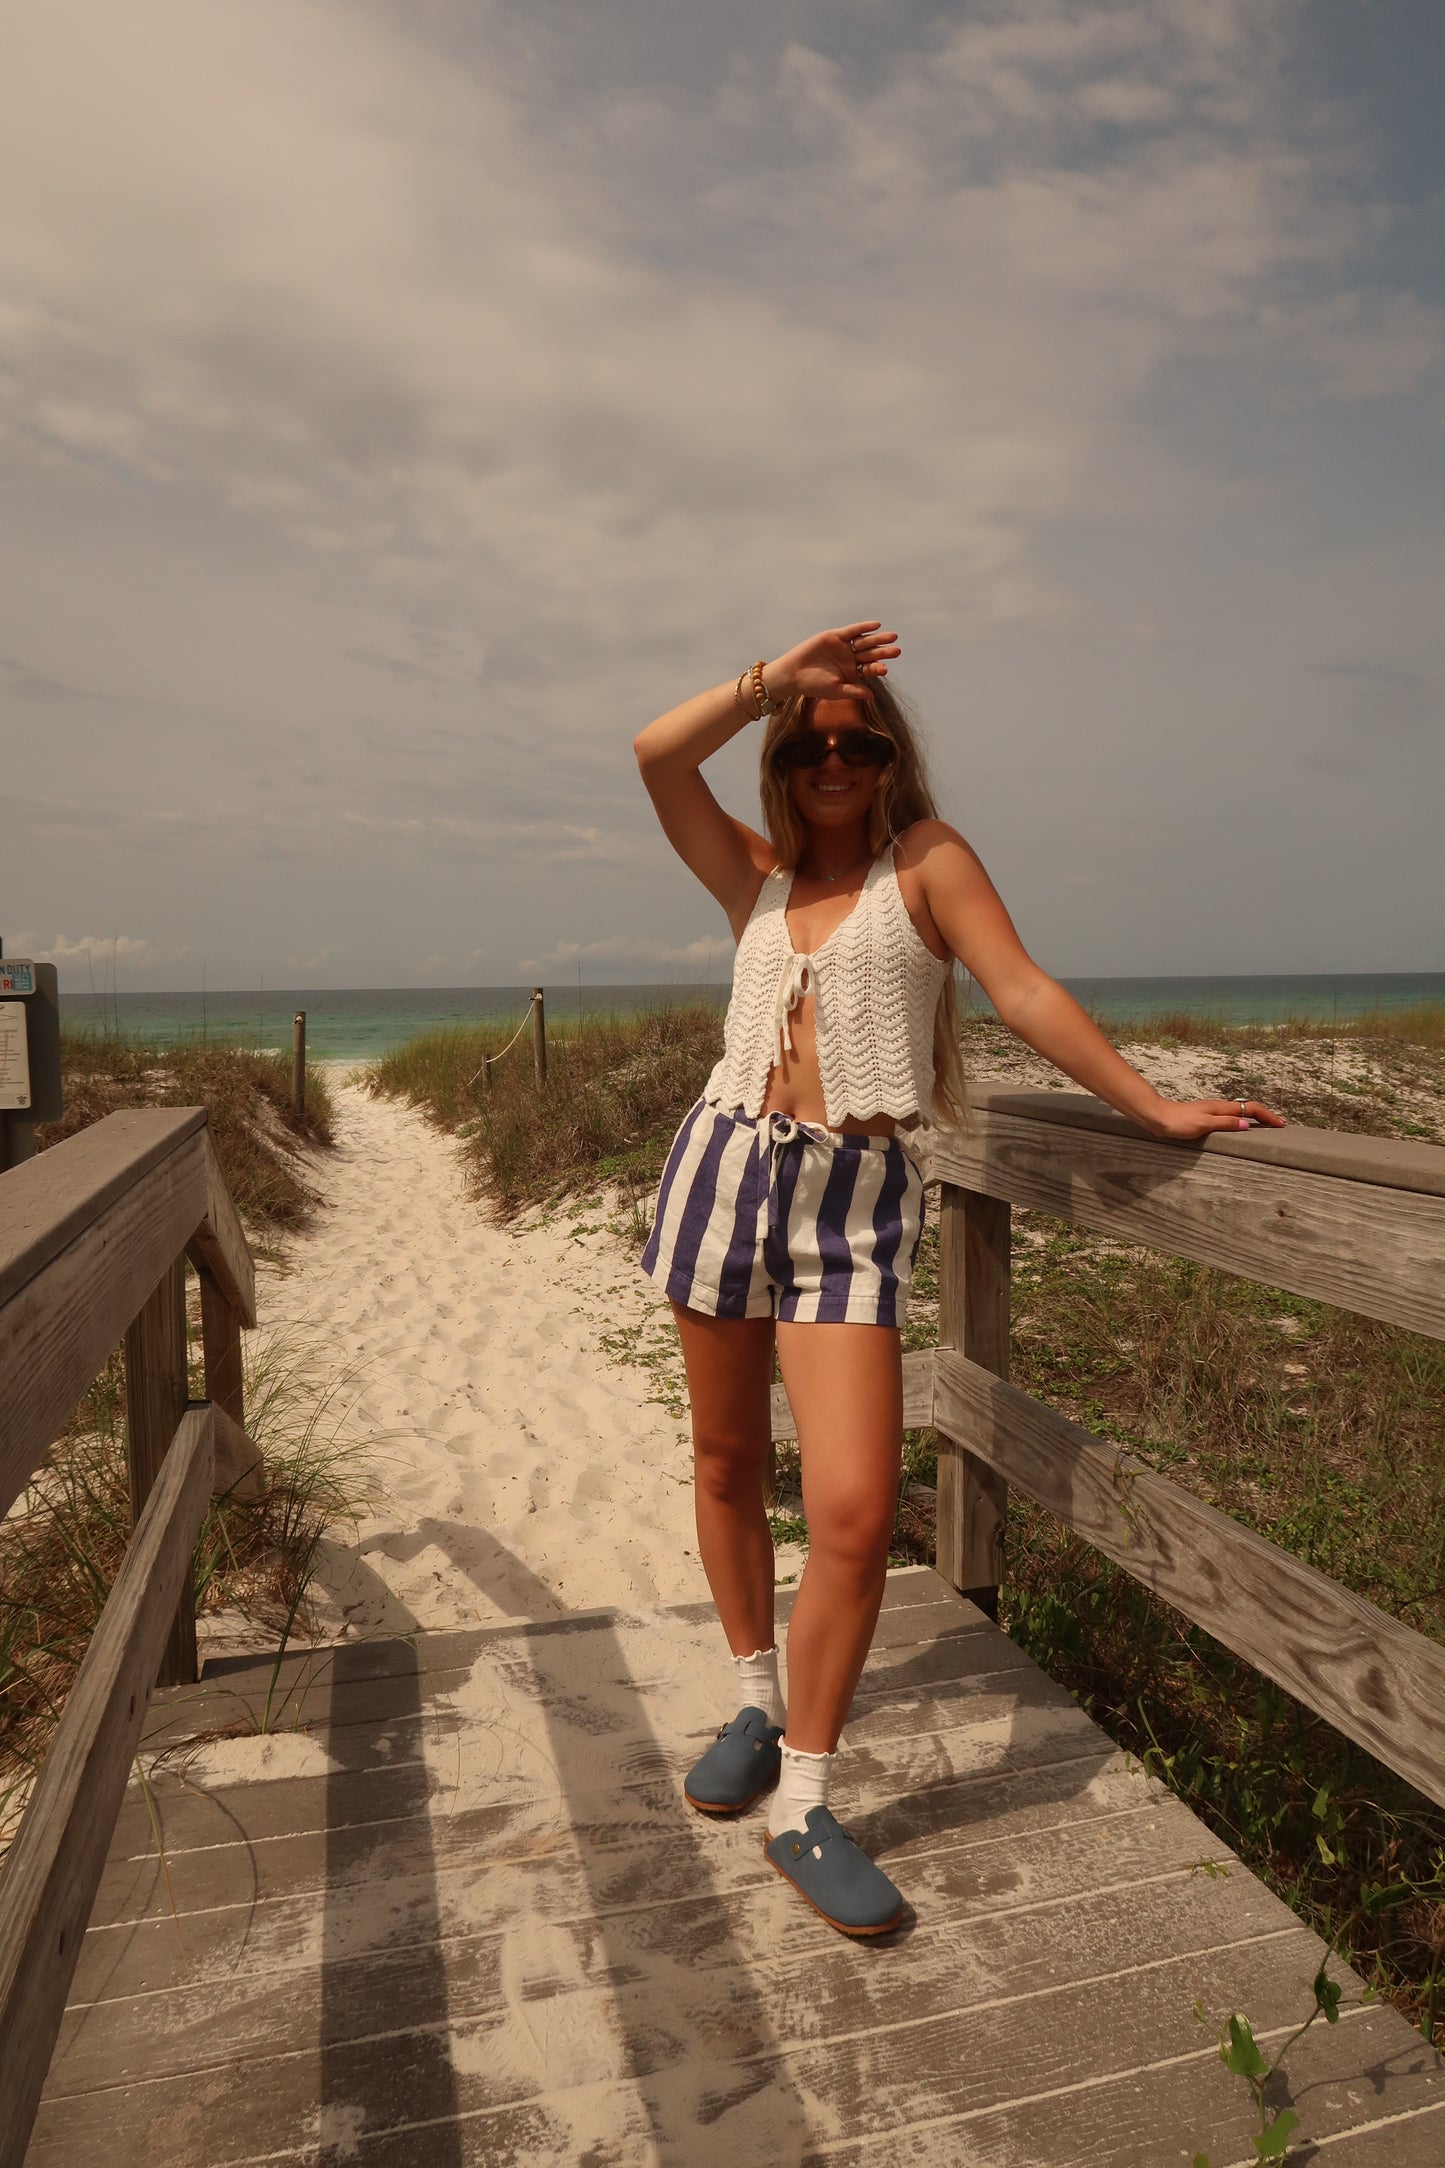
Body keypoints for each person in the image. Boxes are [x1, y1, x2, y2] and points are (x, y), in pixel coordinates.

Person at [632, 621, 1284, 1936]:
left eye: (856, 740)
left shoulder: (923, 863)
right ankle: (756, 1705)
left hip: (852, 1207)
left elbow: (1021, 988)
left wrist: (1147, 1106)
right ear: (782, 753)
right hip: (722, 1169)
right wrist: (777, 676)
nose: (832, 758)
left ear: (888, 759)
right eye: (811, 742)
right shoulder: (751, 876)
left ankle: (804, 1805)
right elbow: (653, 754)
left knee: (860, 1513)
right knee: (721, 1463)